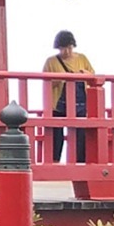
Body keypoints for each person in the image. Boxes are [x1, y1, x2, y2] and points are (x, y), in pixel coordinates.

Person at [43, 29, 95, 162]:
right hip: (58, 103)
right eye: (63, 48)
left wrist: (86, 75)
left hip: (80, 102)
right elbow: (46, 82)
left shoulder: (82, 58)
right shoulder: (51, 62)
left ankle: (80, 162)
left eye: (69, 48)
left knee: (81, 134)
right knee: (56, 134)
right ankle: (54, 162)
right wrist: (59, 79)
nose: (66, 51)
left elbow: (93, 77)